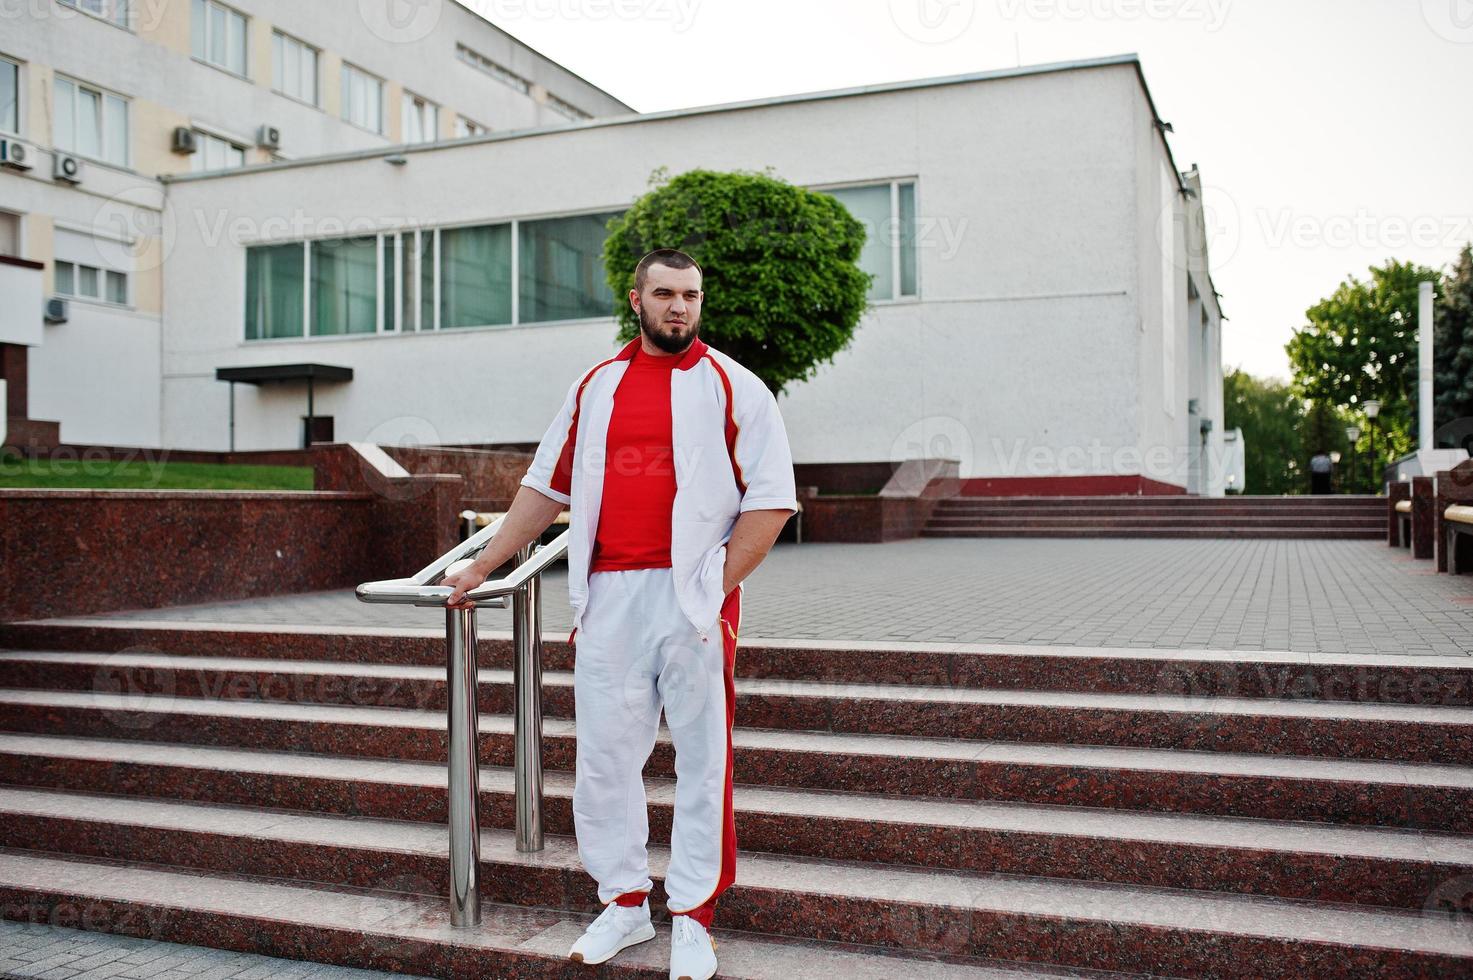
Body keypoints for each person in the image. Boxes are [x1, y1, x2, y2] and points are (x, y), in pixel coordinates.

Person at [442, 248, 798, 980]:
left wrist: (712, 585)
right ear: (635, 300)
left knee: (702, 761)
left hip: (693, 596)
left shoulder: (735, 387)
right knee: (605, 759)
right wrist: (482, 567)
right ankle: (625, 904)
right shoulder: (595, 387)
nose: (678, 307)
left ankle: (694, 917)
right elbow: (544, 489)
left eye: (691, 296)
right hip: (607, 596)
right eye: (664, 293)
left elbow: (770, 501)